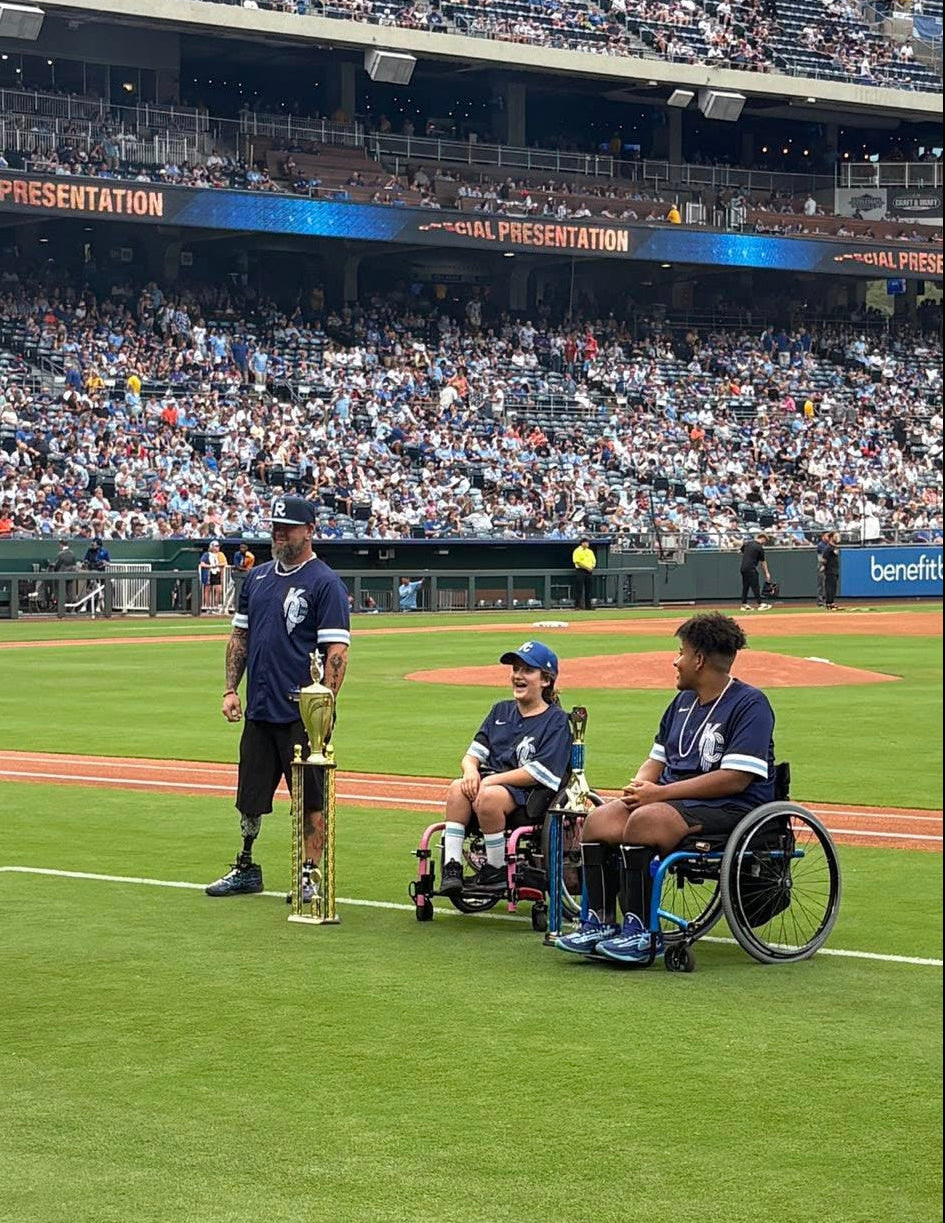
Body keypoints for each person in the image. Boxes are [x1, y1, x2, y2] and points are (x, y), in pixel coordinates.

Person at [556, 613, 775, 964]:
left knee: (646, 820)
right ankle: (598, 921)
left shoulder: (750, 704)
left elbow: (736, 778)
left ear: (699, 660)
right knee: (597, 821)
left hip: (731, 807)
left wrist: (658, 795)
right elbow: (656, 760)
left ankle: (641, 932)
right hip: (673, 802)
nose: (676, 661)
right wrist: (640, 785)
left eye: (681, 652)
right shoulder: (681, 703)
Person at [205, 496, 351, 898]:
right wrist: (231, 689)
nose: (279, 532)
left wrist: (322, 708)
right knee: (249, 796)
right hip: (261, 706)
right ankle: (247, 864)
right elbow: (240, 637)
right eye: (275, 525)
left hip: (302, 714)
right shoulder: (258, 578)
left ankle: (310, 877)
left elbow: (336, 653)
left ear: (309, 531)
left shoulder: (325, 582)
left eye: (287, 526)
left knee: (310, 798)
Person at [439, 641, 572, 894]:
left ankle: (497, 868)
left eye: (527, 670)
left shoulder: (556, 720)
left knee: (488, 796)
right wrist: (470, 772)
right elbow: (472, 755)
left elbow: (540, 772)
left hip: (529, 794)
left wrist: (492, 781)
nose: (518, 676)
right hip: (492, 783)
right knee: (457, 789)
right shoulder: (500, 710)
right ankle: (452, 867)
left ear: (545, 680)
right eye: (515, 669)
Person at [739, 532, 771, 611]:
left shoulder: (748, 543)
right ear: (763, 538)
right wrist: (767, 573)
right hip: (751, 568)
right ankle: (760, 604)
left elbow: (740, 551)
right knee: (755, 586)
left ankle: (744, 604)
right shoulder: (759, 547)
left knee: (745, 586)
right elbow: (763, 562)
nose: (764, 543)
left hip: (743, 568)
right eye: (765, 541)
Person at [571, 536, 596, 610]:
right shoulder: (577, 551)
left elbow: (593, 561)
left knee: (589, 589)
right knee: (579, 588)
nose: (587, 544)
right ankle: (577, 606)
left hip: (589, 571)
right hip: (580, 571)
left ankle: (588, 606)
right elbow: (577, 562)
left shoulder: (590, 551)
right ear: (582, 543)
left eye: (588, 542)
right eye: (586, 542)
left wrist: (592, 567)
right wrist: (587, 567)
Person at [822, 531, 841, 610]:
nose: (837, 538)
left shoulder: (834, 547)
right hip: (830, 570)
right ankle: (829, 603)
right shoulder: (828, 548)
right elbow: (824, 559)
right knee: (829, 587)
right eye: (835, 536)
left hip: (835, 570)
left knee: (833, 587)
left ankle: (831, 602)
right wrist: (824, 567)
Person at [815, 530, 831, 606]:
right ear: (823, 537)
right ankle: (820, 601)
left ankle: (827, 600)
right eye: (827, 536)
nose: (828, 537)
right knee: (821, 584)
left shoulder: (828, 544)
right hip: (822, 565)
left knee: (827, 584)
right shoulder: (821, 545)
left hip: (828, 566)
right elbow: (823, 556)